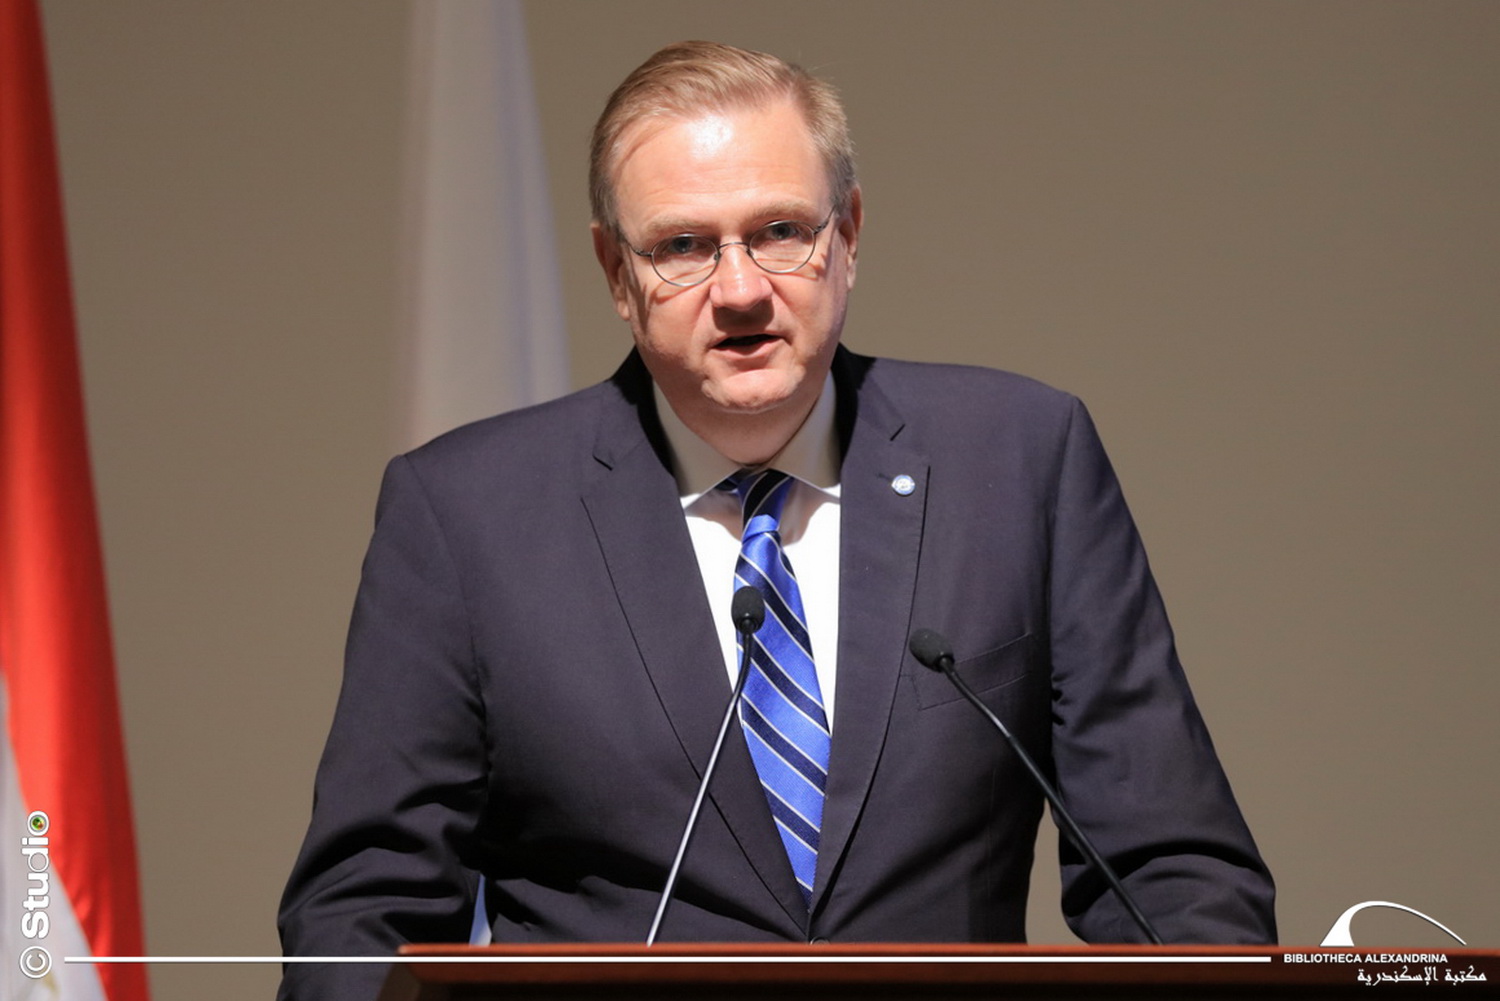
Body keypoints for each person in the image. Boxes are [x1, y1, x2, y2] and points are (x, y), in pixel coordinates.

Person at [277, 40, 1275, 1001]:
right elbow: (363, 913)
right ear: (616, 272)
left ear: (849, 233)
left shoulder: (1019, 459)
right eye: (682, 246)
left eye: (780, 231)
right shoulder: (466, 515)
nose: (741, 290)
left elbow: (1173, 869)